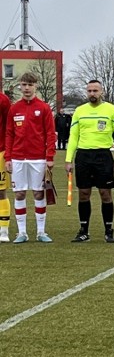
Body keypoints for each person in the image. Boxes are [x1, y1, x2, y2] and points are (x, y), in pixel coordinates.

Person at [64, 80, 114, 243]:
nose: (92, 93)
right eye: (89, 91)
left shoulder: (111, 110)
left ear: (101, 92)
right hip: (83, 156)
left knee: (105, 193)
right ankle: (84, 230)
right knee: (84, 194)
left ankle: (109, 230)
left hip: (103, 156)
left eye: (95, 90)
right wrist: (68, 160)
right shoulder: (79, 111)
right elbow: (73, 136)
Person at [4, 72, 57, 243]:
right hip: (18, 158)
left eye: (30, 85)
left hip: (38, 158)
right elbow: (9, 134)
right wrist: (8, 157)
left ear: (36, 86)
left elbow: (50, 133)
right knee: (19, 194)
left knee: (38, 193)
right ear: (20, 86)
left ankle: (41, 232)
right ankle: (22, 233)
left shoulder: (44, 107)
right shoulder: (14, 108)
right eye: (24, 85)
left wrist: (50, 156)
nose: (26, 88)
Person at [0, 89, 13, 242]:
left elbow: (9, 129)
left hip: (0, 151)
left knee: (1, 192)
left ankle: (3, 230)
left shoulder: (3, 100)